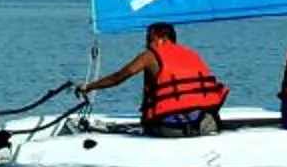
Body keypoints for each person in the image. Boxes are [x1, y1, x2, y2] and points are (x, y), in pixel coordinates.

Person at [77, 20, 227, 136]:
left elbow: (117, 78)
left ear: (163, 39)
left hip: (171, 128)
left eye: (150, 39)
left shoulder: (149, 56)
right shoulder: (192, 54)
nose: (147, 44)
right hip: (206, 123)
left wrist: (89, 86)